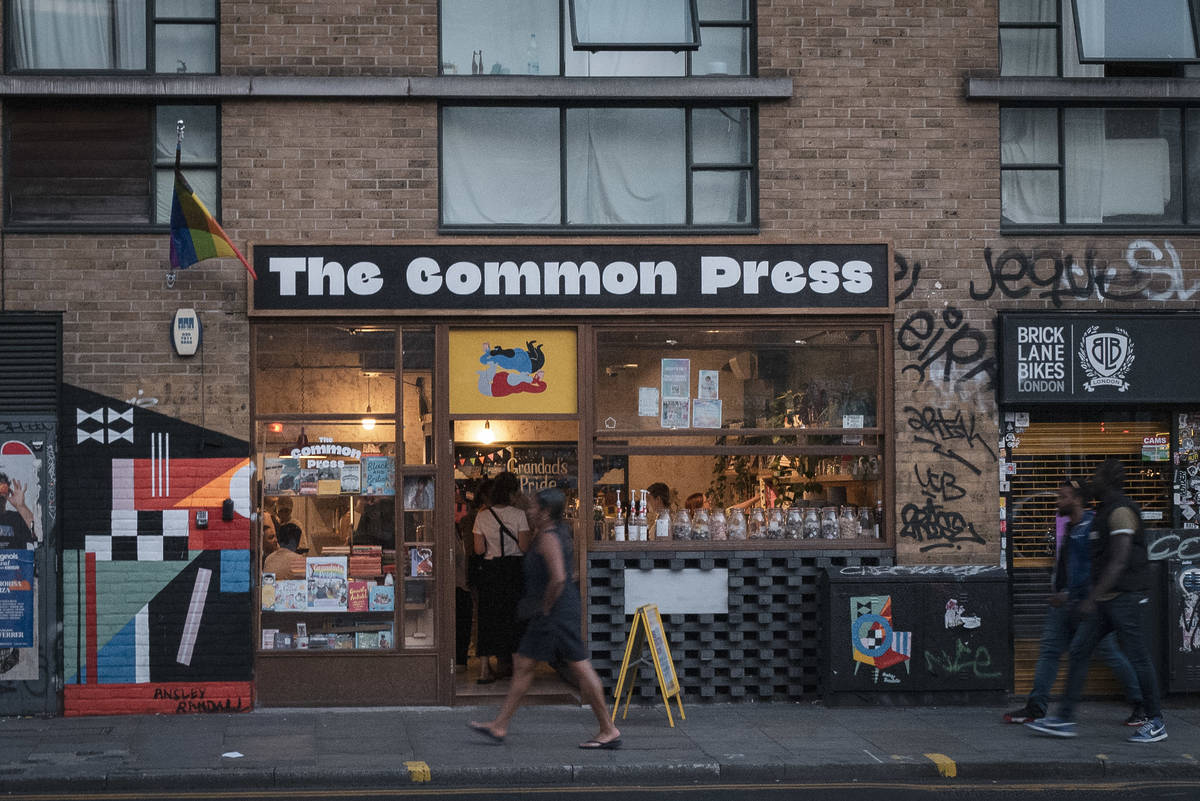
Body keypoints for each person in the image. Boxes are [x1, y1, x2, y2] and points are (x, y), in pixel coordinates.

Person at [469, 487, 622, 749]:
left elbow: (560, 578)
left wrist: (547, 606)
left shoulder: (550, 537)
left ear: (546, 512)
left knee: (580, 666)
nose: (530, 511)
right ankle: (500, 725)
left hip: (555, 613)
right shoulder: (556, 533)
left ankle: (608, 729)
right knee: (524, 665)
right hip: (552, 611)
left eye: (534, 508)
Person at [1027, 459, 1167, 743]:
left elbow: (1118, 560)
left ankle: (1155, 721)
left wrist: (1090, 597)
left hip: (1125, 597)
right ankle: (1064, 719)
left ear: (1109, 480)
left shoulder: (1121, 512)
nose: (1093, 480)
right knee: (1079, 651)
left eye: (1097, 476)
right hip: (1105, 599)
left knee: (1138, 657)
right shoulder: (1103, 512)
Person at [1004, 479, 1146, 726]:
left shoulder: (1091, 527)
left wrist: (1073, 595)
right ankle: (1036, 706)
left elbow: (1095, 568)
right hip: (1063, 603)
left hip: (1087, 605)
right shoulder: (1070, 527)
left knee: (1110, 653)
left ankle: (1141, 704)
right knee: (1049, 651)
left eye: (1063, 496)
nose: (1058, 501)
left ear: (1077, 500)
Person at [472, 471, 530, 684]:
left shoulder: (482, 515)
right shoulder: (519, 515)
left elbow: (478, 549)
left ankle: (484, 670)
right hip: (514, 570)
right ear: (512, 493)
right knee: (513, 618)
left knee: (487, 618)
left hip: (491, 570)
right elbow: (524, 547)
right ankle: (516, 669)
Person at [0, 472, 36, 550]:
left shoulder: (18, 519)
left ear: (8, 493)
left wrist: (21, 506)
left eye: (2, 488)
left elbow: (37, 533)